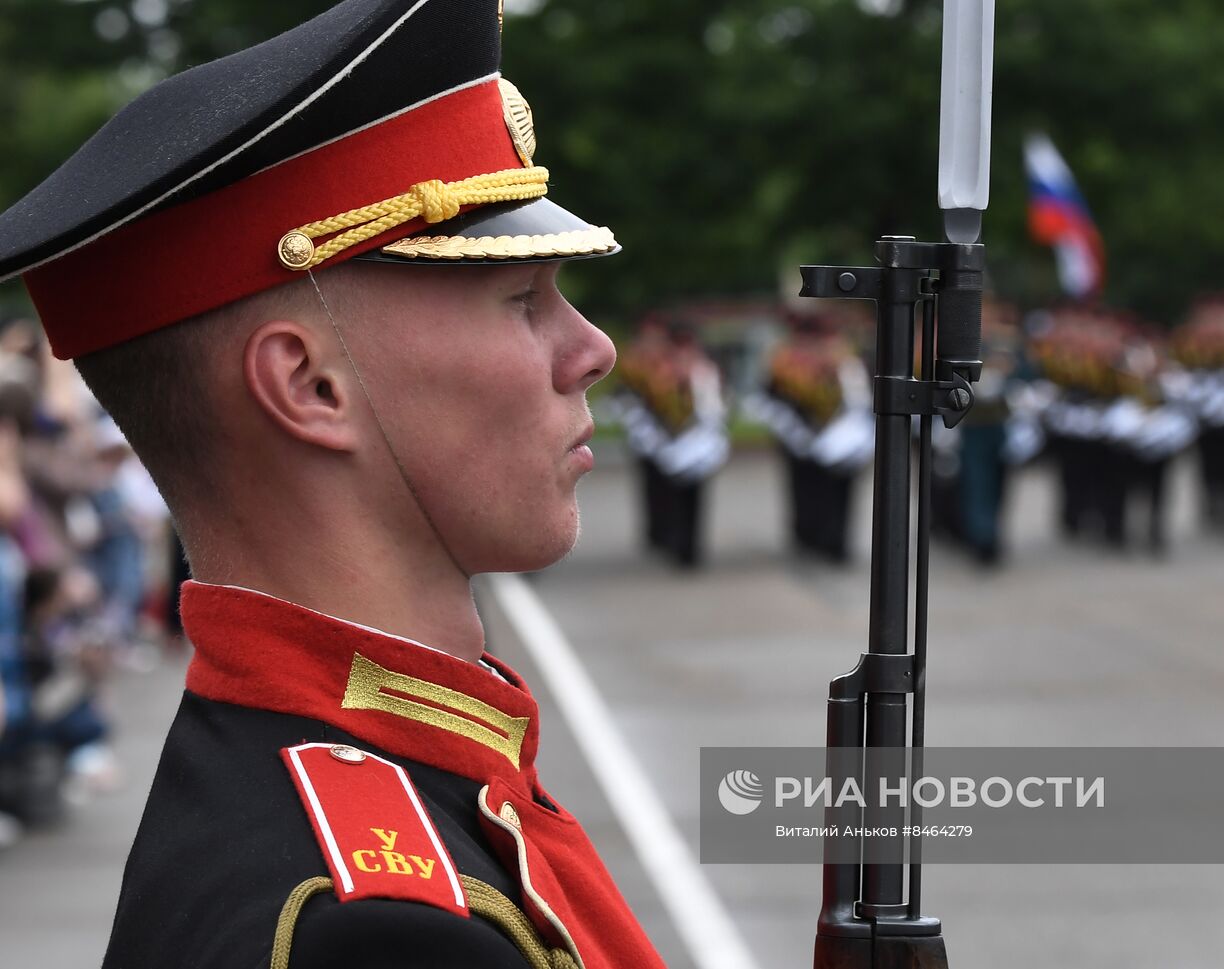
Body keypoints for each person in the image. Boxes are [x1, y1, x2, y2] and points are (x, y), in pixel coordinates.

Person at [0, 2, 664, 967]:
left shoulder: (330, 790)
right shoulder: (378, 930)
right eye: (522, 299)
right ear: (310, 386)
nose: (592, 350)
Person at [749, 312, 873, 563]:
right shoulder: (784, 363)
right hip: (800, 439)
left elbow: (861, 401)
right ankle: (808, 537)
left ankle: (836, 541)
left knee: (841, 492)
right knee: (805, 490)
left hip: (842, 440)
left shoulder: (848, 364)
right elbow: (770, 397)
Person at [613, 316, 728, 567]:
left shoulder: (704, 373)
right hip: (663, 444)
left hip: (696, 446)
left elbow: (715, 410)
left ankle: (692, 549)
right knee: (666, 495)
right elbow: (644, 408)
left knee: (696, 498)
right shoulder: (657, 375)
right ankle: (670, 541)